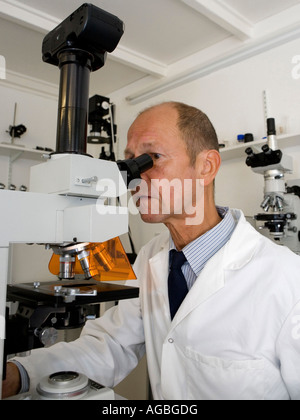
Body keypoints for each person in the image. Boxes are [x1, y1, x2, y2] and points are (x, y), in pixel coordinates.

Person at [3, 101, 300, 400]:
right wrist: (19, 375)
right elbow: (111, 345)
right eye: (130, 161)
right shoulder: (151, 257)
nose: (134, 177)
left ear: (206, 166)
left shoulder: (288, 280)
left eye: (152, 158)